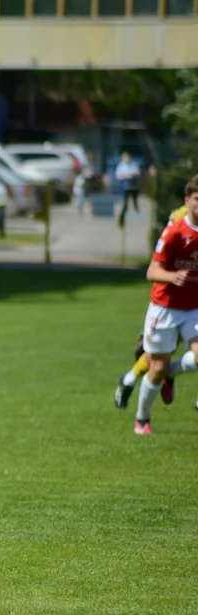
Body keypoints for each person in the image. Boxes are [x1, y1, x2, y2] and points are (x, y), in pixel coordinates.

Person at [112, 178, 198, 434]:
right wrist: (173, 277)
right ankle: (142, 419)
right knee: (157, 368)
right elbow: (152, 270)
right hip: (165, 307)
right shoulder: (174, 232)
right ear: (188, 201)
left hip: (193, 307)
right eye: (197, 199)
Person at [116, 152, 142, 218]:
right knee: (125, 201)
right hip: (124, 186)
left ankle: (137, 212)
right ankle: (125, 213)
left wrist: (132, 175)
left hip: (133, 185)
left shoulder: (134, 165)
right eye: (125, 157)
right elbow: (118, 176)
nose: (127, 159)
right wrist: (125, 176)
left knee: (135, 200)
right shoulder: (120, 166)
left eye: (127, 157)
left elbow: (138, 173)